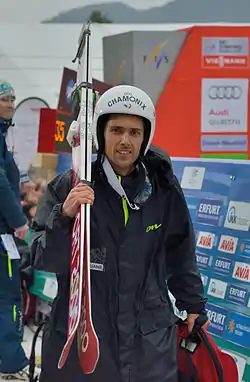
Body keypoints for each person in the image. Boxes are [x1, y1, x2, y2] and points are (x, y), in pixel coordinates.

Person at [30, 85, 209, 382]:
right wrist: (64, 217)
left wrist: (192, 306)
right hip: (83, 342)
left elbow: (181, 251)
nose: (125, 141)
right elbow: (41, 258)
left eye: (134, 132)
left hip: (147, 345)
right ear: (101, 133)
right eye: (116, 130)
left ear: (146, 137)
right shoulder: (69, 186)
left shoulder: (162, 189)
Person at [0, 80, 38, 381]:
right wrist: (18, 221)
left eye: (13, 98)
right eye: (5, 99)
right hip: (3, 235)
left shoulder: (2, 136)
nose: (11, 103)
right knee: (8, 299)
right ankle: (11, 364)